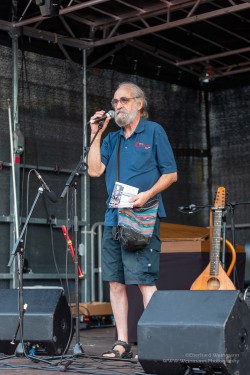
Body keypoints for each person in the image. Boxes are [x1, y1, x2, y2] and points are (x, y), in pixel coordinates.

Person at [87, 82, 177, 358]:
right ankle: (122, 343)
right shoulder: (111, 138)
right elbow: (94, 170)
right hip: (114, 218)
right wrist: (96, 133)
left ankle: (154, 344)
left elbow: (171, 174)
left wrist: (147, 194)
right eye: (115, 102)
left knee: (144, 281)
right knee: (115, 282)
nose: (118, 106)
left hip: (142, 216)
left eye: (124, 100)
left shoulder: (153, 132)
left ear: (139, 103)